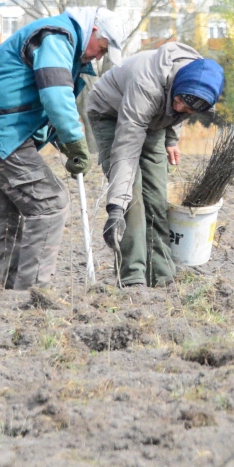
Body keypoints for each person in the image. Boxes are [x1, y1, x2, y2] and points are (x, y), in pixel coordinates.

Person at [0, 7, 124, 290]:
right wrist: (74, 142)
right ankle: (32, 294)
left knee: (0, 214)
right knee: (50, 203)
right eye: (102, 49)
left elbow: (37, 101)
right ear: (94, 31)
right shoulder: (58, 38)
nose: (99, 57)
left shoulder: (59, 41)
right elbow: (55, 95)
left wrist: (59, 140)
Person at [86, 42, 224, 287]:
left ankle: (161, 274)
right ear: (176, 88)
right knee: (134, 198)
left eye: (189, 108)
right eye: (180, 100)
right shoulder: (146, 84)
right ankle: (132, 278)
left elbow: (179, 109)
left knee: (157, 198)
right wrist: (115, 207)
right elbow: (126, 152)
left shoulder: (197, 78)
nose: (181, 108)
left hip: (154, 120)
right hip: (111, 112)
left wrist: (171, 139)